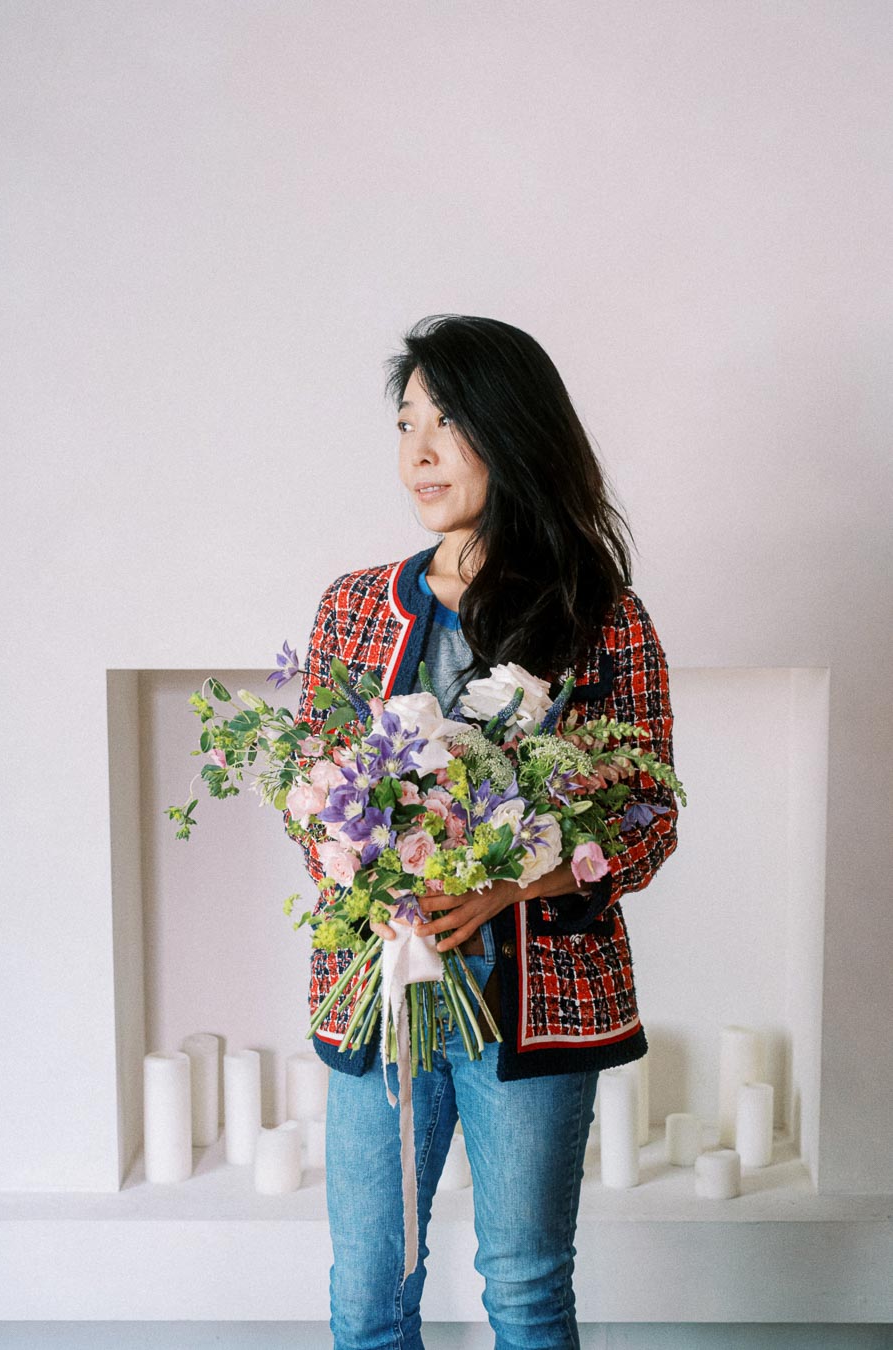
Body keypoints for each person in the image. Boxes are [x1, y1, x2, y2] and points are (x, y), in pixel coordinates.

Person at [291, 314, 679, 1350]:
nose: (417, 452)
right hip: (378, 992)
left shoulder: (601, 615)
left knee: (525, 1290)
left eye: (448, 422)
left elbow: (647, 818)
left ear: (511, 433)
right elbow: (308, 782)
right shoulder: (354, 607)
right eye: (406, 422)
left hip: (539, 998)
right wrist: (367, 872)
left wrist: (510, 884)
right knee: (367, 1298)